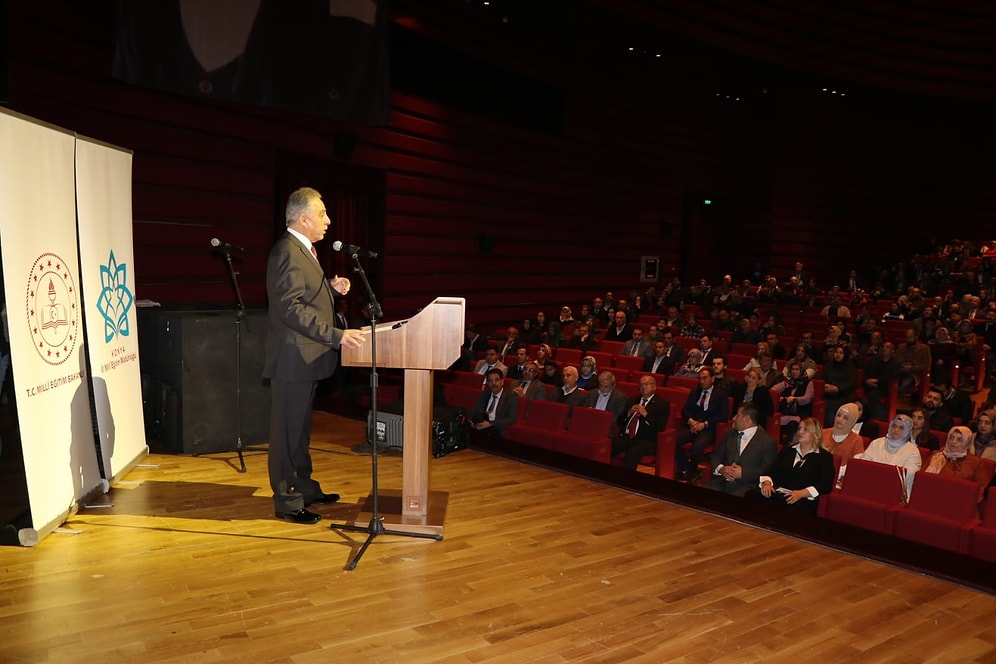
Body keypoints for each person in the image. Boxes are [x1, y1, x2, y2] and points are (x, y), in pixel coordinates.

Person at [263, 186, 364, 525]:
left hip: (306, 359)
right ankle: (287, 500)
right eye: (322, 214)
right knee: (286, 432)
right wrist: (336, 335)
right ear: (303, 218)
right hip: (294, 359)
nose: (328, 220)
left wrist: (329, 288)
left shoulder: (303, 250)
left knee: (300, 430)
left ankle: (304, 488)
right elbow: (290, 308)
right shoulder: (287, 252)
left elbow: (303, 295)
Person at [747, 417, 834, 514]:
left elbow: (825, 485)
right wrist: (766, 483)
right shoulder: (787, 451)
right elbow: (770, 471)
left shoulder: (824, 457)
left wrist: (801, 493)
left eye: (805, 429)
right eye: (799, 428)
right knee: (752, 495)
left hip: (802, 500)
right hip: (780, 495)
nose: (800, 432)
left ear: (815, 434)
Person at [704, 404, 778, 496]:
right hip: (721, 482)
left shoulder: (767, 442)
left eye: (737, 415)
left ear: (747, 419)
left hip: (746, 487)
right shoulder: (729, 433)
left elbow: (767, 470)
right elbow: (717, 455)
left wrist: (743, 473)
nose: (734, 418)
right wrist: (721, 469)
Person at [674, 367, 730, 482]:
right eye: (700, 378)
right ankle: (687, 468)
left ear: (712, 379)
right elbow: (685, 410)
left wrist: (704, 424)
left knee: (697, 447)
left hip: (708, 428)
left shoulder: (721, 394)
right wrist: (691, 421)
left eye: (705, 378)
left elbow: (723, 416)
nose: (702, 381)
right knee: (672, 440)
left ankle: (690, 470)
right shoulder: (695, 392)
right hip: (693, 426)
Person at [854, 414, 922, 499]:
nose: (896, 430)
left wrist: (881, 474)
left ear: (907, 431)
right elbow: (864, 465)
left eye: (901, 428)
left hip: (896, 492)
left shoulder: (913, 451)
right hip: (870, 485)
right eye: (894, 426)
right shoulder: (877, 443)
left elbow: (907, 476)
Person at [611, 375, 669, 471]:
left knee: (632, 452)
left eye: (646, 384)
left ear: (654, 387)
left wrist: (646, 414)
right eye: (641, 385)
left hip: (646, 440)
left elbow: (659, 427)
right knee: (610, 445)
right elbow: (619, 422)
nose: (643, 387)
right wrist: (628, 413)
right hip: (627, 436)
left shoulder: (662, 404)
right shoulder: (633, 400)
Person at [923, 426, 991, 505]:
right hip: (933, 498)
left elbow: (981, 491)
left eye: (959, 439)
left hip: (961, 503)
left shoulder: (976, 463)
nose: (953, 442)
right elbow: (922, 479)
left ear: (967, 442)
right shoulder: (937, 456)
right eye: (951, 437)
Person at [821, 403, 866, 480]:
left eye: (845, 418)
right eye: (838, 415)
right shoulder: (823, 433)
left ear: (852, 421)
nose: (840, 419)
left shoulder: (857, 440)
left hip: (841, 477)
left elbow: (855, 465)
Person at [772, 363, 814, 443]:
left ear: (802, 371)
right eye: (793, 369)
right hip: (786, 412)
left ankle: (792, 444)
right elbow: (773, 390)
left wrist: (794, 399)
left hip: (800, 413)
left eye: (797, 369)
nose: (794, 371)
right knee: (775, 422)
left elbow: (807, 398)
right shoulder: (787, 383)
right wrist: (782, 398)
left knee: (793, 425)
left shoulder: (808, 383)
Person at [470, 368, 518, 436]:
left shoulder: (510, 398)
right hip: (482, 424)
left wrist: (491, 424)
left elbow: (511, 419)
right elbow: (474, 410)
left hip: (496, 427)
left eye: (496, 380)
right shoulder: (485, 394)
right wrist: (472, 420)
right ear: (487, 383)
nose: (494, 383)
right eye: (490, 381)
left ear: (502, 382)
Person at [821, 344, 857, 426]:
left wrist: (838, 388)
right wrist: (825, 385)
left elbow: (852, 383)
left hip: (843, 395)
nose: (838, 354)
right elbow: (822, 379)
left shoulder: (850, 367)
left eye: (841, 353)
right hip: (828, 394)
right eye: (836, 352)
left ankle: (831, 428)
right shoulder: (828, 365)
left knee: (831, 408)